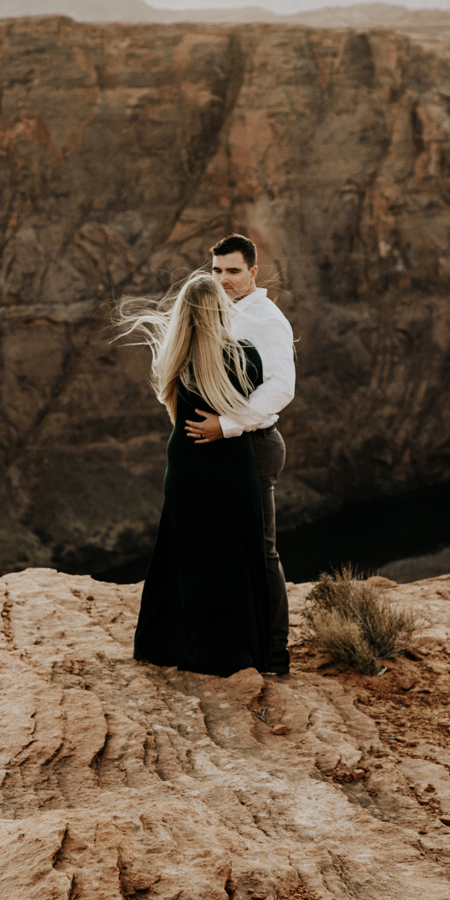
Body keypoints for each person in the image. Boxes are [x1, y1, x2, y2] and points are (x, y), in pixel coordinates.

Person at [118, 269, 276, 677]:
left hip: (186, 466)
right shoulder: (245, 356)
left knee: (184, 558)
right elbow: (257, 402)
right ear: (219, 310)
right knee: (235, 559)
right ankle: (234, 654)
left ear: (184, 313)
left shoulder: (175, 358)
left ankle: (168, 645)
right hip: (232, 469)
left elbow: (173, 408)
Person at [183, 234, 294, 676]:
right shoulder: (215, 311)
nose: (223, 279)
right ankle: (232, 644)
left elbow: (281, 389)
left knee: (261, 552)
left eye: (232, 271)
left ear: (252, 272)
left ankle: (275, 654)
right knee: (223, 549)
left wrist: (226, 425)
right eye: (216, 271)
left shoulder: (266, 319)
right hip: (220, 451)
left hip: (253, 446)